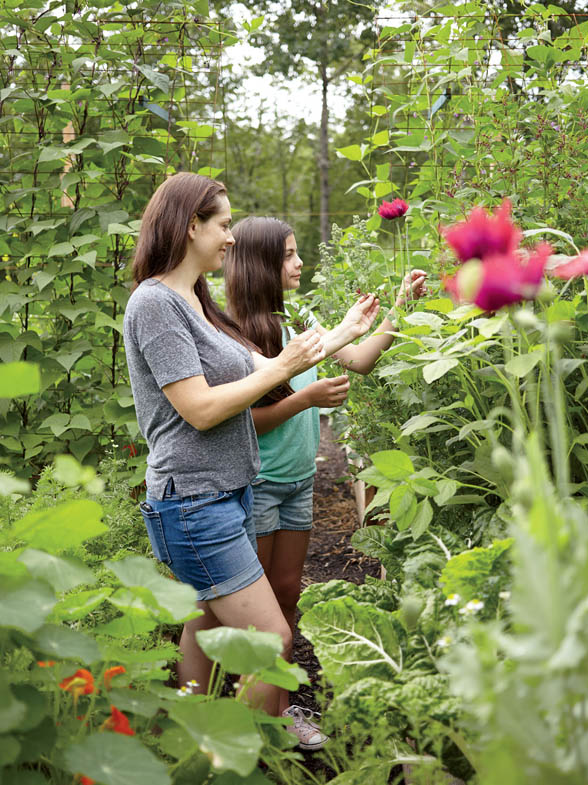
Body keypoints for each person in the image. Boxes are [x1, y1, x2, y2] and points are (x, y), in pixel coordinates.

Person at [122, 173, 378, 749]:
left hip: (224, 495)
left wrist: (344, 334)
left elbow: (262, 368)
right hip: (193, 502)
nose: (231, 238)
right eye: (223, 224)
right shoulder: (156, 305)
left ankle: (190, 735)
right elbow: (202, 409)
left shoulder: (194, 300)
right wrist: (285, 374)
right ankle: (244, 755)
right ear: (191, 226)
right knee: (270, 641)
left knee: (207, 627)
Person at [222, 215, 426, 748]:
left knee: (287, 592)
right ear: (262, 264)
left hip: (296, 483)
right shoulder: (234, 334)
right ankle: (256, 721)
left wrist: (400, 307)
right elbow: (245, 420)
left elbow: (357, 359)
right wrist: (305, 399)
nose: (298, 263)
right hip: (260, 483)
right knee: (260, 606)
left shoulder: (302, 319)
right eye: (289, 255)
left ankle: (280, 706)